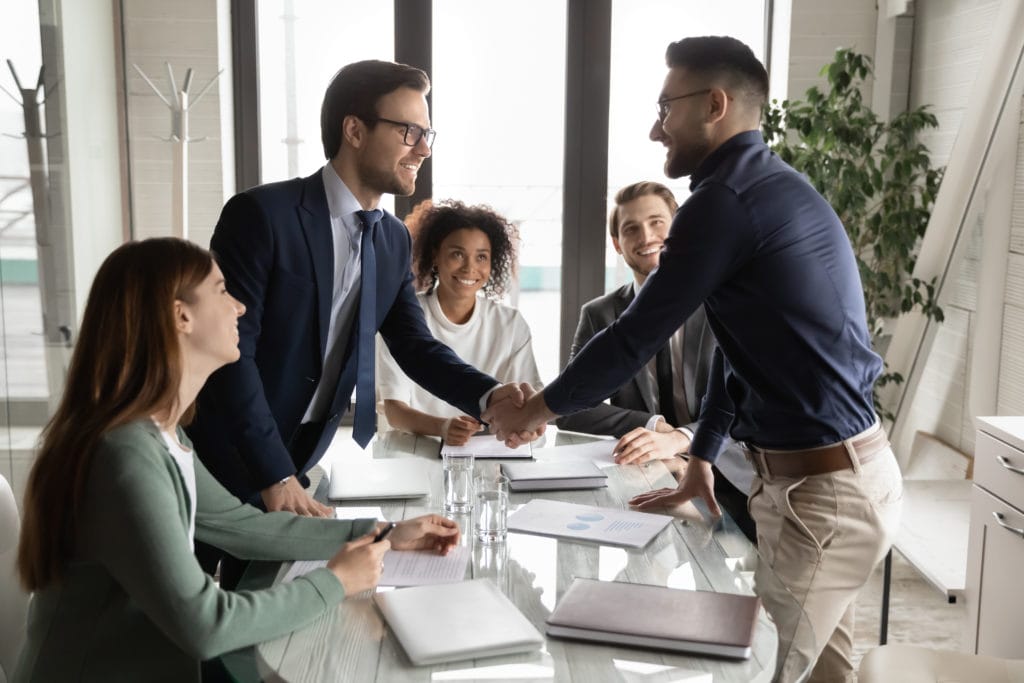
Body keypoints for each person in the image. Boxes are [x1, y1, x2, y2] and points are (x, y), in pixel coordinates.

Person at [485, 36, 903, 682]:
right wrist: (702, 454)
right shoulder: (765, 188)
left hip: (825, 496)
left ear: (714, 104)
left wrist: (534, 410)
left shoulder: (724, 203)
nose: (656, 128)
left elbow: (634, 336)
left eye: (665, 107)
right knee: (826, 673)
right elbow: (738, 353)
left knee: (755, 670)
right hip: (829, 482)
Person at [13, 238, 460, 682]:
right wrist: (336, 581)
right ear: (180, 315)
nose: (239, 308)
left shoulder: (163, 433)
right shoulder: (126, 455)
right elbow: (206, 624)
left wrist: (383, 534)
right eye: (222, 290)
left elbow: (243, 527)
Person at [187, 59, 529, 524]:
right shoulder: (263, 215)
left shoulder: (392, 238)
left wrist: (490, 396)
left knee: (278, 588)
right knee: (200, 593)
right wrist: (273, 472)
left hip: (303, 455)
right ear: (354, 130)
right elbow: (233, 354)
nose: (424, 148)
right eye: (409, 130)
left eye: (428, 133)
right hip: (228, 456)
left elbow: (415, 346)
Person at [555, 181, 755, 543]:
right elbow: (571, 408)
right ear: (617, 243)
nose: (645, 236)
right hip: (649, 473)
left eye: (657, 222)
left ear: (679, 227)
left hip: (734, 472)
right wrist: (654, 427)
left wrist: (682, 439)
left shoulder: (722, 301)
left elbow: (749, 398)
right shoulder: (599, 314)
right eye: (630, 228)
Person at [377, 200, 542, 445]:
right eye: (457, 254)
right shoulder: (403, 318)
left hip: (489, 452)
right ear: (435, 256)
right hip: (413, 453)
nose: (469, 268)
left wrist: (530, 424)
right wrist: (443, 427)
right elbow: (394, 411)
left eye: (481, 257)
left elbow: (528, 400)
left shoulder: (510, 323)